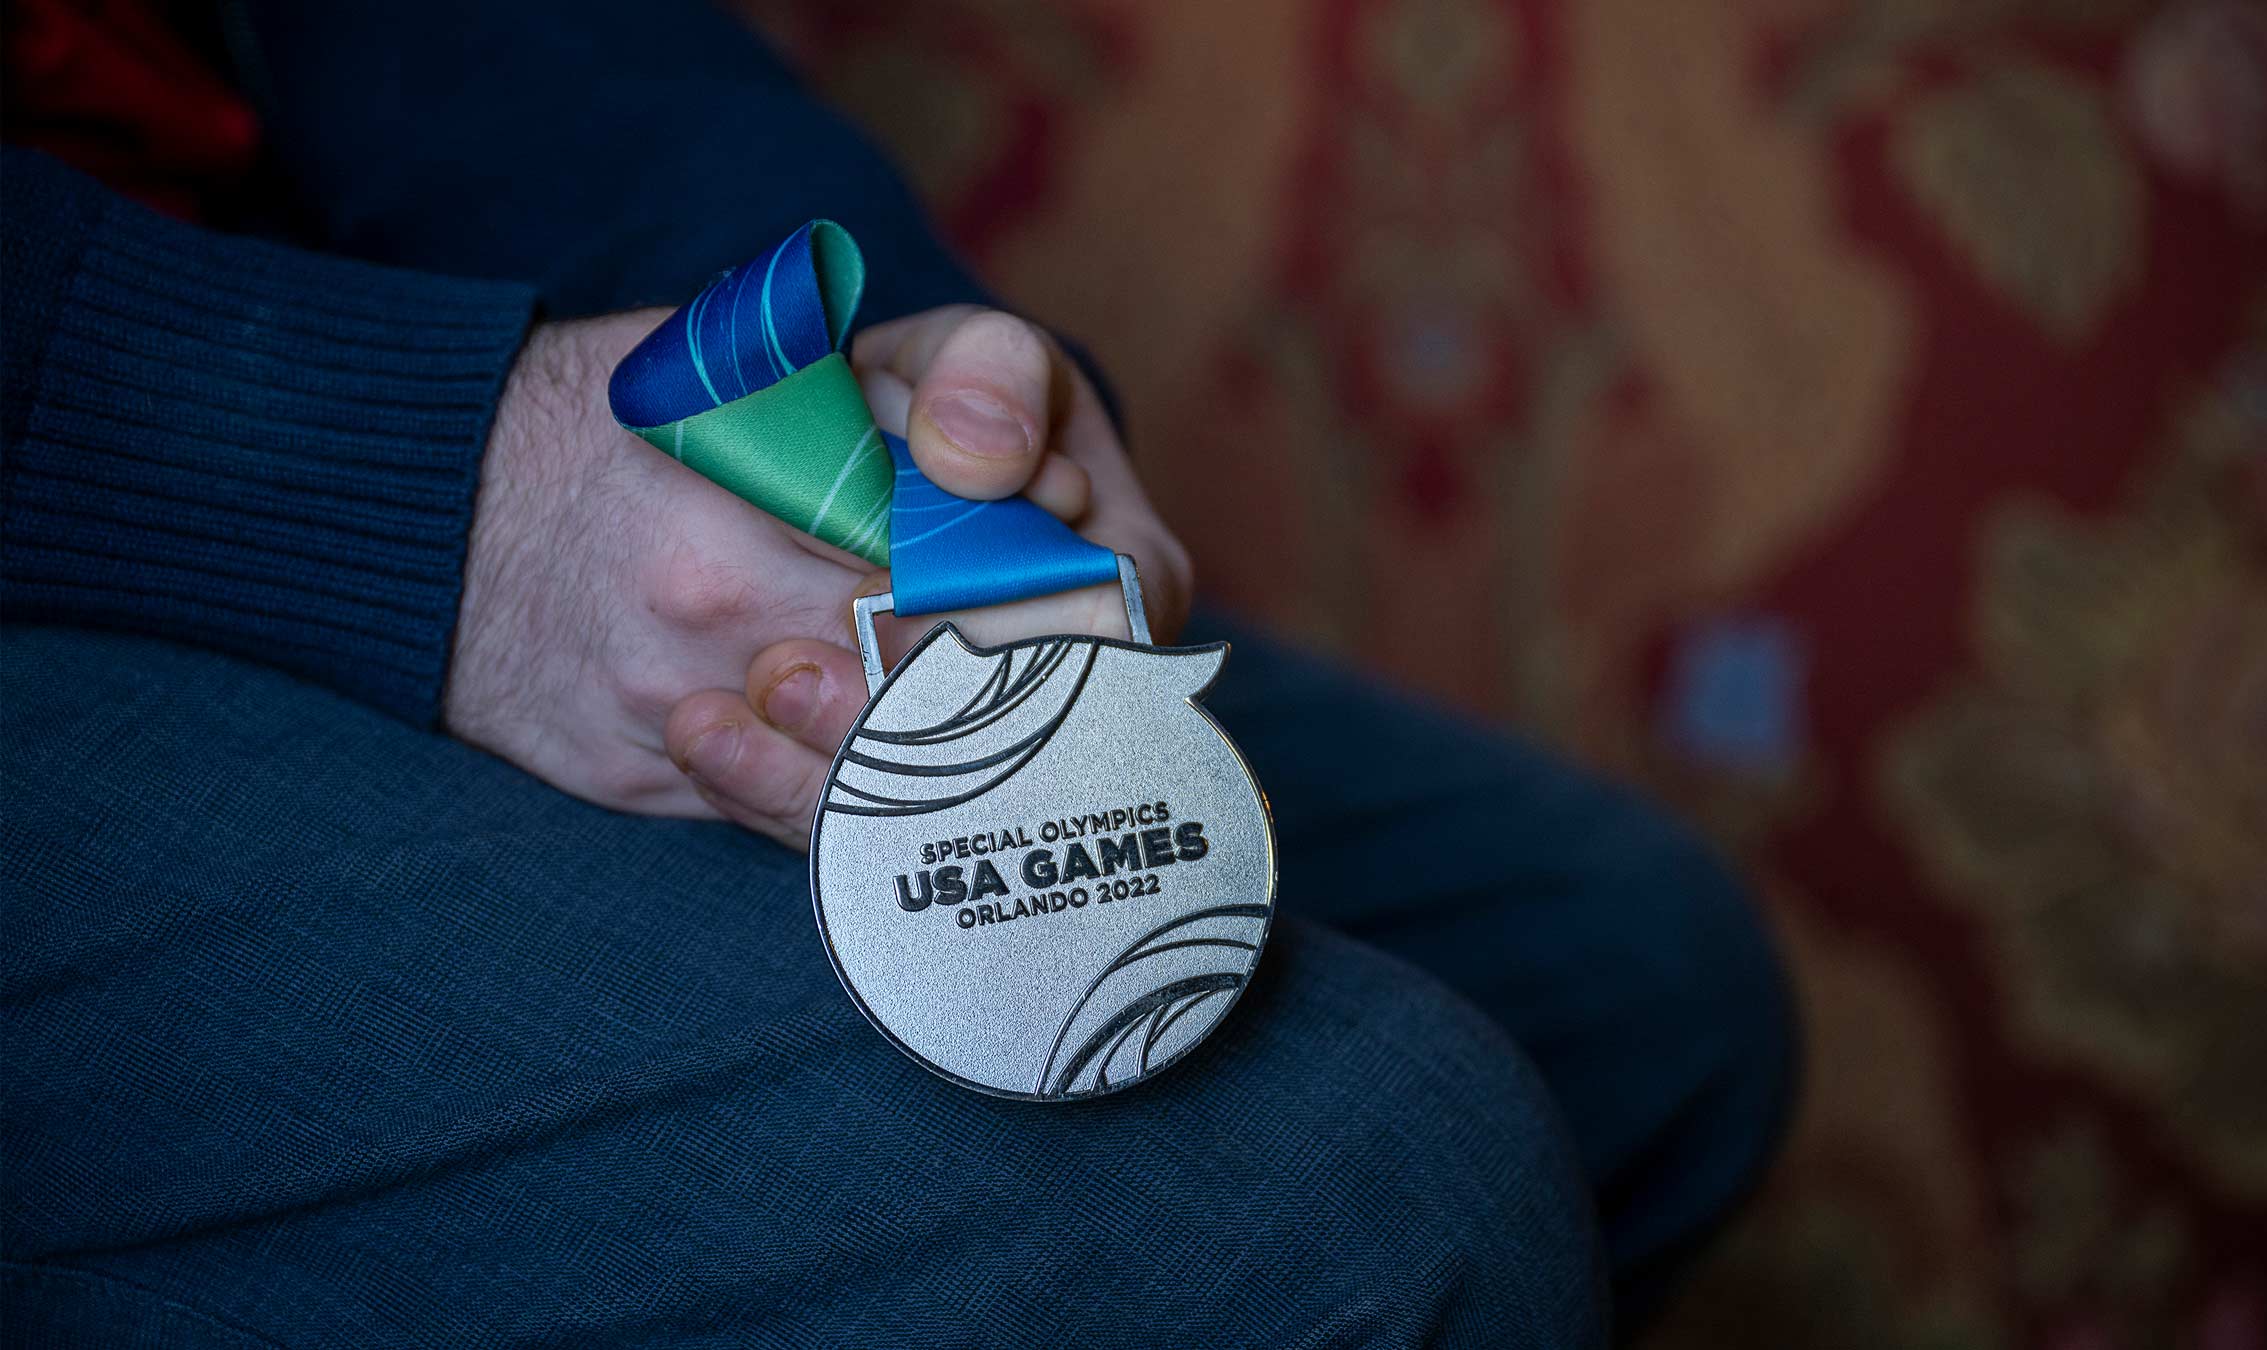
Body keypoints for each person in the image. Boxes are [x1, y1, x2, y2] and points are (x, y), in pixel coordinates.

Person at [0, 2, 1794, 1344]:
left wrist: (911, 384)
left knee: (1631, 973)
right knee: (1374, 1193)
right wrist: (443, 484)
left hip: (362, 308)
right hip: (124, 491)